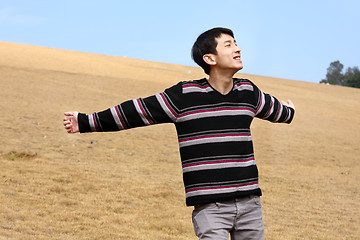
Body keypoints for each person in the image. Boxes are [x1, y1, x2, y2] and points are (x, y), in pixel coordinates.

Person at [63, 27, 295, 240]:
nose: (238, 48)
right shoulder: (184, 95)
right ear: (210, 58)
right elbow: (135, 111)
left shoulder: (248, 92)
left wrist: (289, 110)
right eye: (228, 44)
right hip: (210, 208)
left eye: (236, 43)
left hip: (250, 205)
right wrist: (84, 121)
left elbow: (279, 112)